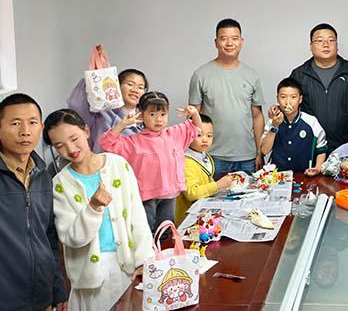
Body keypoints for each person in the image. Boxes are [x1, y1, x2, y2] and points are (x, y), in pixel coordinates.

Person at [45, 109, 153, 311]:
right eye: (59, 146)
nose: (71, 148)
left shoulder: (118, 165)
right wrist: (93, 208)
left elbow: (137, 217)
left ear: (86, 131)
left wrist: (144, 260)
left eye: (74, 138)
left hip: (127, 266)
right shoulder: (59, 184)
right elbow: (71, 238)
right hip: (90, 278)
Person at [0, 93, 67, 311]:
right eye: (15, 123)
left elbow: (48, 237)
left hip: (42, 299)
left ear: (41, 127)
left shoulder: (43, 175)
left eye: (32, 122)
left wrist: (58, 288)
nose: (25, 131)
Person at [98, 91, 201, 233]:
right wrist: (122, 124)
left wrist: (194, 113)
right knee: (145, 231)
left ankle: (163, 247)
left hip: (169, 194)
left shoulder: (175, 134)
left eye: (163, 114)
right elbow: (105, 143)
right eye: (152, 114)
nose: (158, 119)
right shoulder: (133, 142)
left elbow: (196, 127)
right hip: (146, 197)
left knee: (166, 230)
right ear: (141, 115)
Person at [189, 19, 265, 175]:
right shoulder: (201, 75)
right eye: (224, 38)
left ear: (241, 42)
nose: (229, 43)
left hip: (247, 157)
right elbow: (193, 117)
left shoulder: (252, 75)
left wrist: (260, 152)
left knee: (251, 192)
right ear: (216, 43)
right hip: (212, 156)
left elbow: (257, 116)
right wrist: (197, 155)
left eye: (234, 38)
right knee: (211, 192)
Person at [290, 23, 348, 153]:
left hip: (344, 146)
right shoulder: (299, 75)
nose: (326, 44)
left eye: (331, 40)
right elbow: (290, 107)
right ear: (311, 46)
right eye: (319, 41)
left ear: (337, 45)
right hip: (309, 145)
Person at [67, 44, 149, 153]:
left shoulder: (147, 118)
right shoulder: (102, 113)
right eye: (130, 84)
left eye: (140, 87)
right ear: (117, 86)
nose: (135, 90)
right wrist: (96, 77)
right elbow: (77, 105)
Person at [175, 114, 236, 226]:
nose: (205, 139)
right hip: (188, 219)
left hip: (203, 213)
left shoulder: (205, 156)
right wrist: (218, 185)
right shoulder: (185, 161)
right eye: (199, 135)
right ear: (188, 135)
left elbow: (207, 180)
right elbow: (192, 193)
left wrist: (224, 186)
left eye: (209, 136)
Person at [260, 77, 328, 176]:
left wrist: (317, 168)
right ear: (277, 99)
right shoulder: (272, 121)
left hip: (304, 175)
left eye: (293, 97)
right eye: (283, 97)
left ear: (300, 99)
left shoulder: (311, 121)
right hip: (278, 176)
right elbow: (264, 150)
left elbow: (321, 149)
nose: (288, 102)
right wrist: (274, 126)